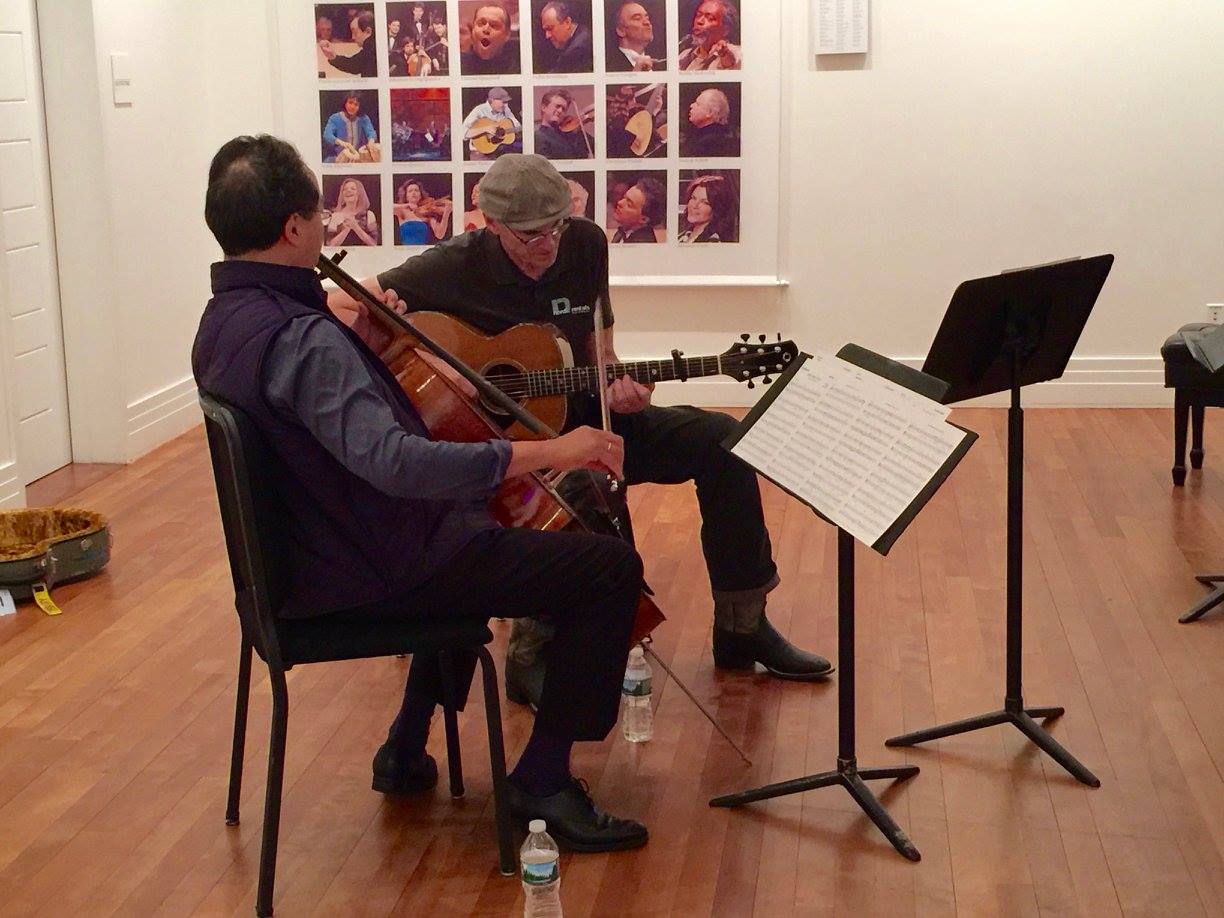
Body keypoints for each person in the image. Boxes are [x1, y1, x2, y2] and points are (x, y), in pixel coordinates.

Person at [196, 135, 647, 853]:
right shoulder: (306, 338)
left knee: (469, 528)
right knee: (607, 570)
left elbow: (327, 431)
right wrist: (553, 451)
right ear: (294, 228)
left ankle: (406, 745)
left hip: (306, 562)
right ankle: (542, 779)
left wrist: (372, 350)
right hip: (364, 572)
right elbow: (397, 464)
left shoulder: (228, 321)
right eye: (318, 215)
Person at [326, 153, 833, 711]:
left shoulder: (586, 243)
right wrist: (436, 366)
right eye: (531, 234)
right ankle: (533, 656)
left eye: (557, 226)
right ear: (491, 224)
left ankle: (743, 627)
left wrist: (622, 388)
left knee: (722, 441)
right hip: (518, 451)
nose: (549, 244)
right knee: (581, 485)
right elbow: (337, 302)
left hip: (586, 415)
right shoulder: (452, 264)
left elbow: (601, 352)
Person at [459, 1, 520, 75]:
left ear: (507, 35)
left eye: (494, 25)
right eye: (481, 23)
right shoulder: (458, 64)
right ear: (473, 29)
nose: (486, 29)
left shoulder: (518, 67)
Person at [462, 87, 522, 160]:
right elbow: (463, 133)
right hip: (481, 155)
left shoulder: (505, 109)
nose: (506, 105)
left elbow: (517, 126)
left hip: (501, 154)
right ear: (492, 100)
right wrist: (486, 129)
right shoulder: (479, 110)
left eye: (507, 102)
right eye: (503, 102)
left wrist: (509, 130)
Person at [678, 0, 741, 71]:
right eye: (698, 15)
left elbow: (731, 63)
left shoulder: (736, 52)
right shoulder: (684, 55)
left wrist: (724, 54)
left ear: (726, 30)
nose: (699, 21)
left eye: (710, 18)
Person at [534, 89, 593, 160]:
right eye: (557, 106)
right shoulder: (538, 136)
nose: (560, 111)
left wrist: (578, 132)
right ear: (544, 107)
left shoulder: (571, 135)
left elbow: (594, 148)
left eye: (564, 109)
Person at [323, 93, 379, 163]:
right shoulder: (335, 118)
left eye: (356, 104)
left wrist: (371, 142)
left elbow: (371, 132)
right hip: (339, 156)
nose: (352, 107)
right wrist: (342, 143)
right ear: (345, 103)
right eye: (350, 103)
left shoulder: (364, 118)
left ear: (360, 107)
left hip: (359, 158)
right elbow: (327, 135)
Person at [679, 174, 736, 242]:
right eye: (693, 198)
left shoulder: (713, 241)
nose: (695, 205)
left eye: (705, 202)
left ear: (717, 210)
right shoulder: (685, 234)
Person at [682, 87, 738, 157]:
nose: (691, 106)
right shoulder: (700, 135)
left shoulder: (711, 143)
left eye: (697, 104)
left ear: (710, 112)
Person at [320, 10, 378, 77]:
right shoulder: (372, 48)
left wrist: (333, 57)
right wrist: (333, 56)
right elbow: (354, 64)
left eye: (355, 32)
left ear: (368, 31)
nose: (353, 37)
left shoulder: (371, 50)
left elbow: (354, 65)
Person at [539, 1, 593, 73]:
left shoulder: (578, 49)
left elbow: (553, 78)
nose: (547, 35)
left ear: (567, 22)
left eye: (550, 28)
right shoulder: (582, 33)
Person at [324, 178, 380, 246]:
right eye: (345, 189)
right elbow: (330, 245)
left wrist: (355, 227)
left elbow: (374, 243)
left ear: (359, 193)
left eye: (353, 189)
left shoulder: (369, 215)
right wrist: (346, 230)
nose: (348, 191)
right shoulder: (335, 216)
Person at [394, 178, 451, 244]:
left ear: (420, 195)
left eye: (416, 190)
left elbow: (440, 235)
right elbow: (387, 207)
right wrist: (406, 205)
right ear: (406, 196)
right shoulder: (402, 211)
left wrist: (447, 212)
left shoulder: (426, 214)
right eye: (410, 191)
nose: (413, 193)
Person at [607, 176, 664, 244]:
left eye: (629, 204)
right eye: (624, 197)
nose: (620, 203)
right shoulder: (623, 232)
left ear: (644, 219)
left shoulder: (643, 244)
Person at [608, 2, 658, 71]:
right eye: (637, 18)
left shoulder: (662, 63)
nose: (647, 22)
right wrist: (636, 73)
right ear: (621, 30)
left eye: (647, 18)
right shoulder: (608, 66)